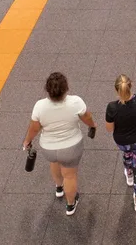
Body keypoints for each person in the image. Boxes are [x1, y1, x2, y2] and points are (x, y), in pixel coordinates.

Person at [23, 73, 97, 216]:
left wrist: (27, 141)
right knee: (70, 175)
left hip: (49, 148)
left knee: (55, 162)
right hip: (71, 147)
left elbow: (34, 128)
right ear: (66, 88)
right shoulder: (75, 102)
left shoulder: (39, 106)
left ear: (47, 90)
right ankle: (70, 204)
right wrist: (93, 125)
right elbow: (87, 117)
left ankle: (58, 188)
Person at [105, 74, 136, 212]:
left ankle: (129, 174)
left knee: (127, 153)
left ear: (116, 90)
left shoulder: (112, 107)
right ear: (131, 85)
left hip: (122, 141)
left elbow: (109, 129)